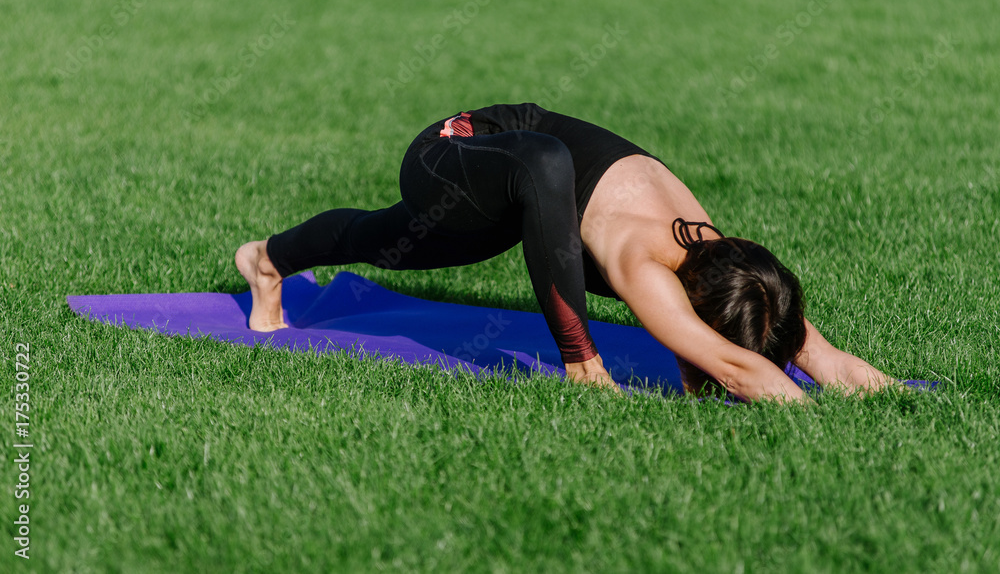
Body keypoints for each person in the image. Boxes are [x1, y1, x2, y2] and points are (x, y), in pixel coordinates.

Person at [236, 103, 898, 402]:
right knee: (542, 165)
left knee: (387, 243)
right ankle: (581, 363)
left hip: (528, 209)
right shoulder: (646, 263)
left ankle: (265, 261)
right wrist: (805, 416)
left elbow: (817, 353)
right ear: (691, 301)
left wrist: (900, 393)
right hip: (456, 154)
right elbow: (735, 369)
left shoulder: (739, 267)